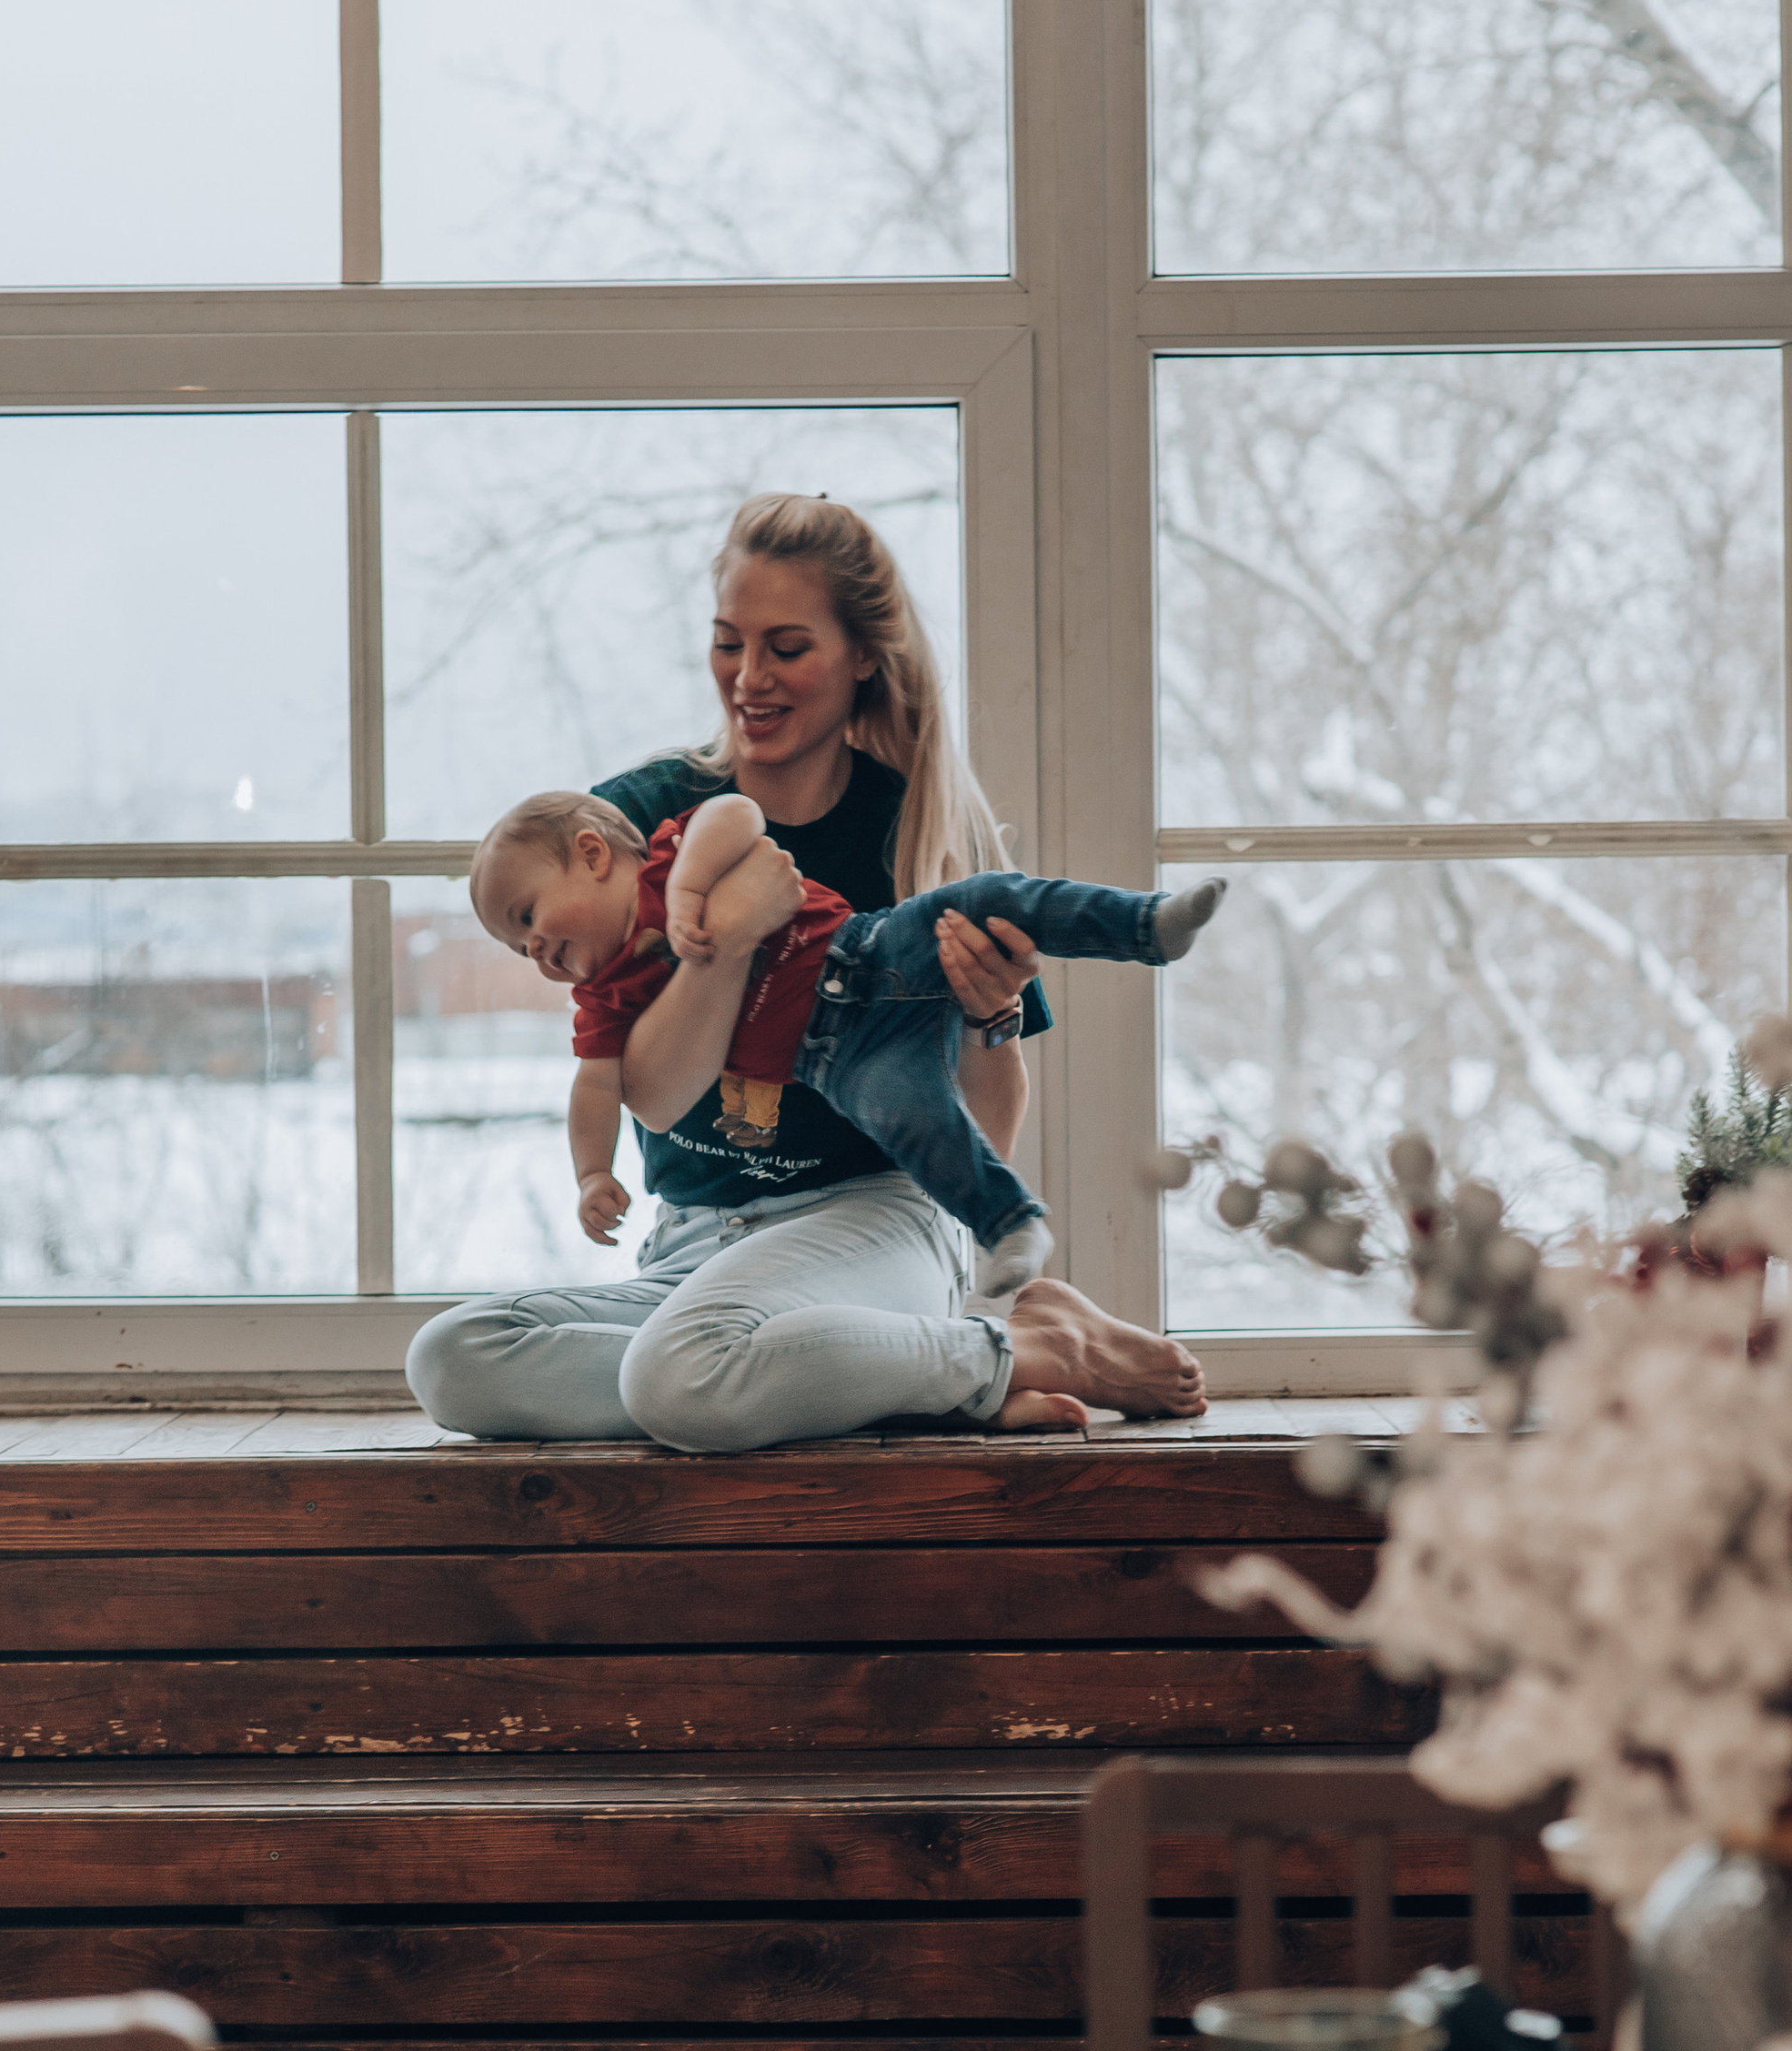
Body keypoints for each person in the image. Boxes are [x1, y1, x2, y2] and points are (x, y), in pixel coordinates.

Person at [406, 494, 1208, 1447]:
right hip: (695, 1241)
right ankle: (928, 1362)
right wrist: (731, 939)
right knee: (456, 1360)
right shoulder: (641, 817)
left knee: (678, 1384)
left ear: (865, 655)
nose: (748, 680)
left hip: (874, 1225)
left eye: (786, 648)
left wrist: (991, 1021)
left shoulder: (924, 832)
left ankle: (993, 1356)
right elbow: (655, 1096)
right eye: (726, 643)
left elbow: (976, 1130)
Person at [467, 779, 1226, 1302]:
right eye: (514, 947)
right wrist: (592, 1173)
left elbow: (734, 814)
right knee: (915, 1117)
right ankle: (1011, 1225)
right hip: (839, 1061)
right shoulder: (605, 996)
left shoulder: (667, 858)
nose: (532, 950)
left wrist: (693, 891)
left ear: (595, 855)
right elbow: (601, 1087)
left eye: (528, 916)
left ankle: (1147, 925)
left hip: (874, 952)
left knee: (992, 900)